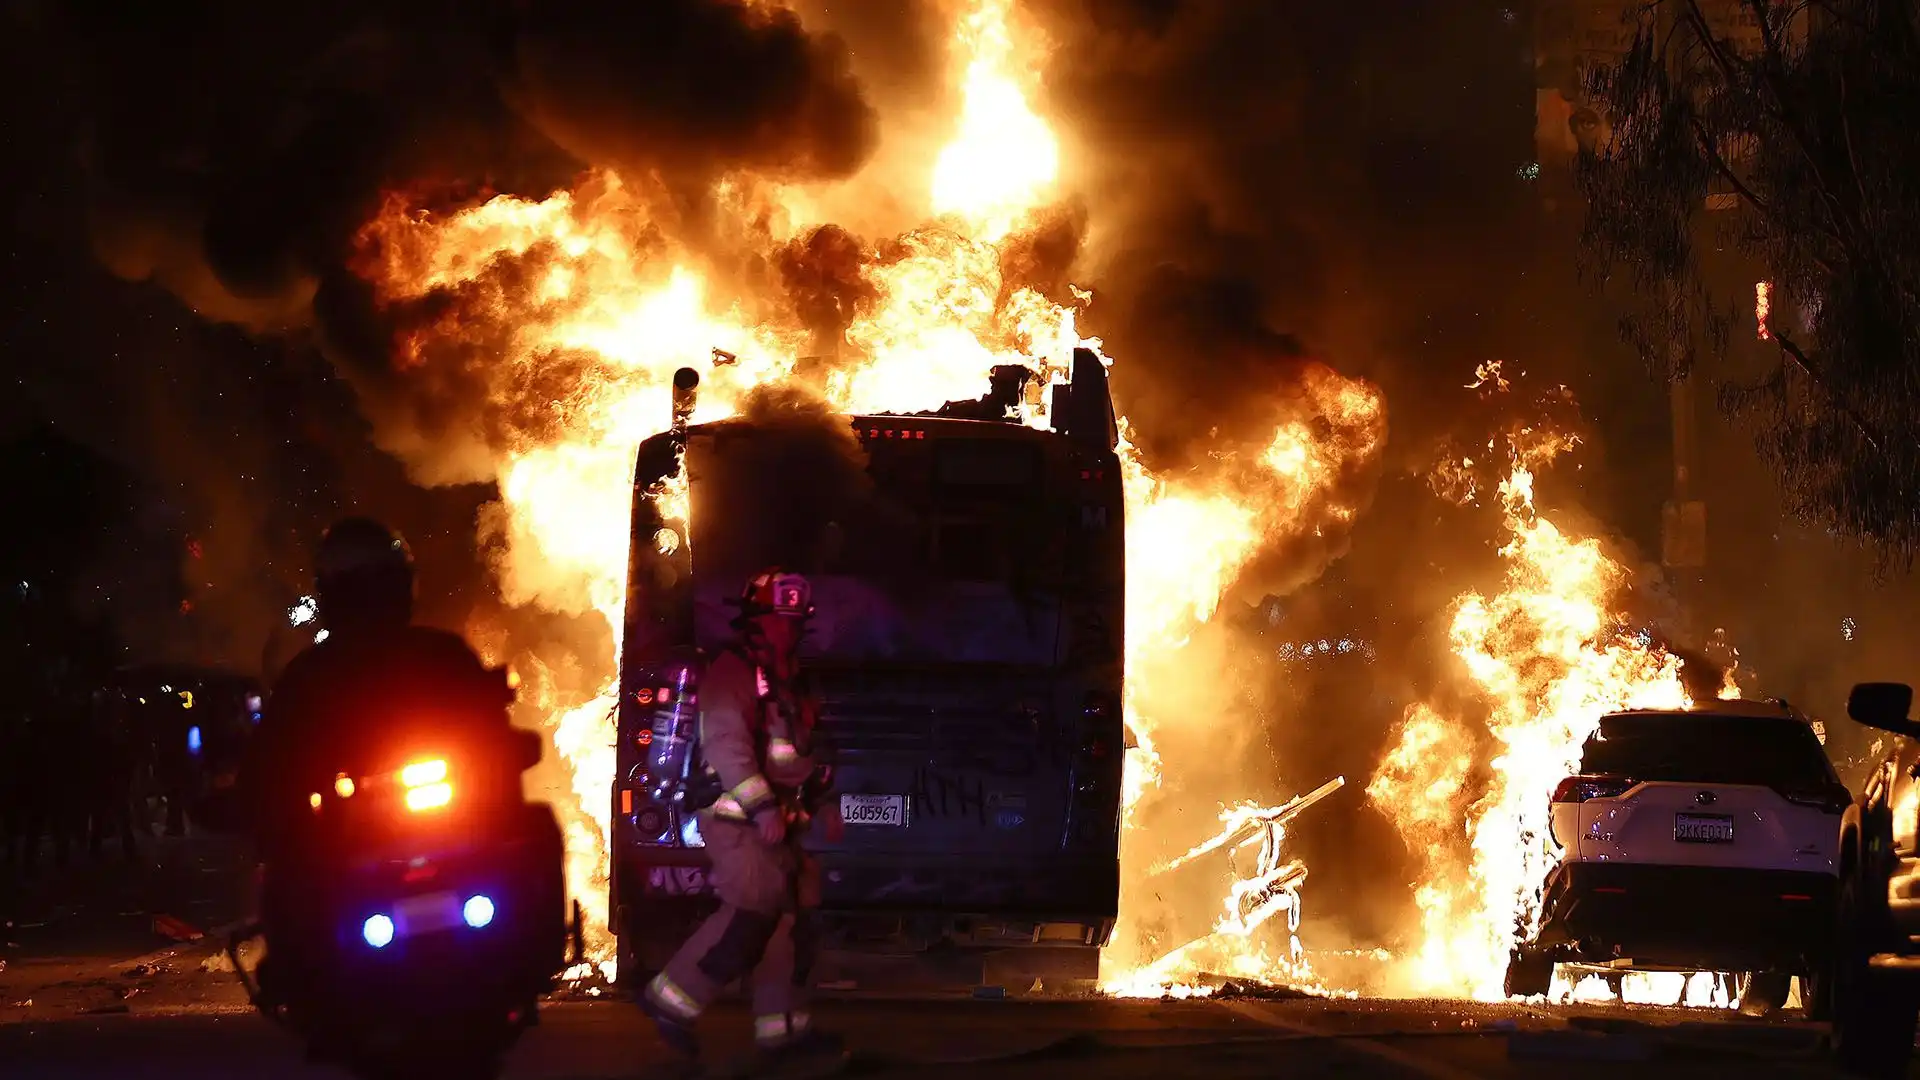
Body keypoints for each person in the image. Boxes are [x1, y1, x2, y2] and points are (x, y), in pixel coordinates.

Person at [238, 517, 518, 1002]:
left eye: (378, 586)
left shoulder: (441, 657)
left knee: (526, 832)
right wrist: (256, 798)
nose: (370, 600)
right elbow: (272, 765)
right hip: (344, 841)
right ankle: (299, 968)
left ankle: (525, 943)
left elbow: (493, 735)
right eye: (360, 588)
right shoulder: (309, 678)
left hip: (452, 828)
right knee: (283, 865)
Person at [642, 568, 841, 1072]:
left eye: (796, 621)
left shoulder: (792, 678)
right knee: (750, 913)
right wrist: (764, 808)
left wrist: (827, 802)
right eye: (780, 619)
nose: (789, 629)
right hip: (740, 823)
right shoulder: (733, 673)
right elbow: (727, 745)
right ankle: (669, 1002)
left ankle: (785, 1031)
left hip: (783, 824)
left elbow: (810, 749)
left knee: (791, 924)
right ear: (757, 620)